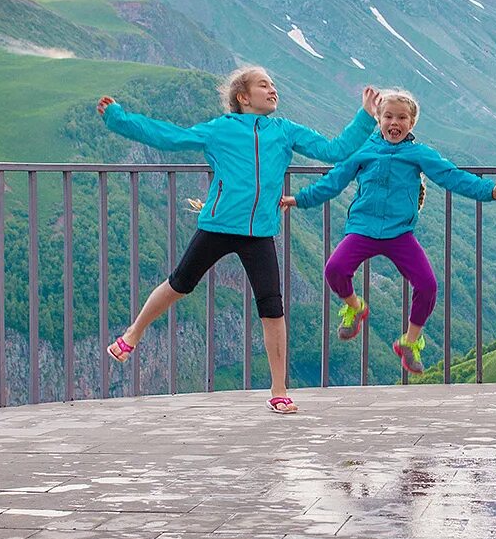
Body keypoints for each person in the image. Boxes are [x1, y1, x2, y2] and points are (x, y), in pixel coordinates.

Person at [96, 66, 377, 414]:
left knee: (272, 307)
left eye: (274, 84)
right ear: (243, 97)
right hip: (218, 225)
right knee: (179, 284)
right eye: (264, 85)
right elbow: (168, 137)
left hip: (259, 232)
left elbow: (334, 150)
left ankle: (279, 390)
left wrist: (366, 116)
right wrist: (118, 119)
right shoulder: (221, 130)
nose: (273, 89)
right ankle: (133, 334)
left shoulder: (285, 131)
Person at [281, 88, 496, 375]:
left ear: (412, 123)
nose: (394, 123)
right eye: (388, 116)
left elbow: (451, 176)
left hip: (399, 235)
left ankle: (410, 342)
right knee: (335, 269)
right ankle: (355, 307)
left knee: (428, 286)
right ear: (378, 118)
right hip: (363, 229)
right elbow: (334, 181)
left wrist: (490, 192)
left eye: (402, 118)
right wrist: (300, 199)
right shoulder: (363, 151)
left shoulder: (418, 154)